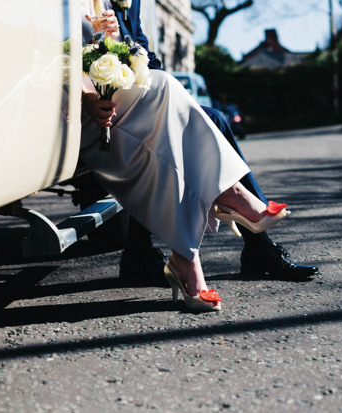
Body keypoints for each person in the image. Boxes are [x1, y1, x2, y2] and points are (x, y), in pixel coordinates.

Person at [79, 4, 292, 312]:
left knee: (185, 104)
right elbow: (54, 56)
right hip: (75, 105)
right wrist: (89, 93)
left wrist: (115, 41)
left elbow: (139, 50)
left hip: (122, 94)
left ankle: (190, 256)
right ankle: (223, 204)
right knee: (169, 100)